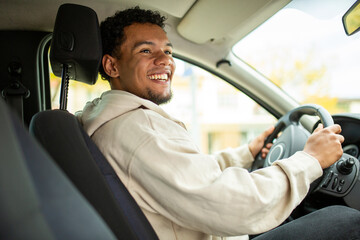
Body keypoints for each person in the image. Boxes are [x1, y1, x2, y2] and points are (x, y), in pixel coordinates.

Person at [76, 6, 360, 240]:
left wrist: (246, 154)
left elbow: (191, 176)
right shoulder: (139, 130)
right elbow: (235, 206)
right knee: (347, 221)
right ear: (112, 66)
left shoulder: (109, 120)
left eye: (169, 51)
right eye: (146, 51)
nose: (165, 61)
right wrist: (309, 160)